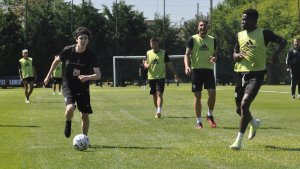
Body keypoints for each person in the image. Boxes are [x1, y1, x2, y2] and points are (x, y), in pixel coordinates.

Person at [230, 9, 287, 150]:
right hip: (240, 74)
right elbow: (234, 54)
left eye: (246, 19)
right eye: (242, 19)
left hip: (256, 75)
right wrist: (238, 56)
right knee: (239, 109)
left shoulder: (264, 33)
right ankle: (254, 123)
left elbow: (283, 41)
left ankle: (238, 141)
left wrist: (276, 54)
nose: (242, 22)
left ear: (254, 21)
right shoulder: (239, 35)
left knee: (244, 105)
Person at [44, 27, 101, 138]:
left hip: (83, 88)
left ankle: (84, 138)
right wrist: (48, 75)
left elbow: (98, 75)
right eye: (81, 38)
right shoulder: (68, 50)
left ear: (88, 40)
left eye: (86, 38)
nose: (83, 40)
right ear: (76, 39)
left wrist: (88, 77)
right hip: (68, 85)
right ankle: (68, 123)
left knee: (84, 115)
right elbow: (56, 61)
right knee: (70, 108)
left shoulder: (91, 55)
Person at [184, 19, 217, 129]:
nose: (203, 27)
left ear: (207, 27)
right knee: (198, 96)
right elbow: (187, 54)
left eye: (205, 25)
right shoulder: (192, 39)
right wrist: (187, 66)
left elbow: (215, 54)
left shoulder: (213, 40)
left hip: (208, 70)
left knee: (212, 93)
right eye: (201, 25)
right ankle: (199, 121)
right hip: (196, 71)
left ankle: (209, 115)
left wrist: (214, 58)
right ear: (198, 27)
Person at [144, 37, 178, 118]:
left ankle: (159, 110)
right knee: (154, 95)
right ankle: (157, 110)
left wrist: (175, 73)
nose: (153, 45)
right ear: (150, 44)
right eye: (152, 44)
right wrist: (146, 65)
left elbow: (169, 64)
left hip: (161, 77)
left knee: (159, 93)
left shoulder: (164, 53)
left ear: (158, 44)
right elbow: (145, 61)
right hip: (151, 77)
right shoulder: (148, 53)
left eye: (155, 44)